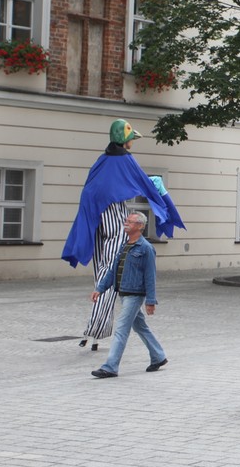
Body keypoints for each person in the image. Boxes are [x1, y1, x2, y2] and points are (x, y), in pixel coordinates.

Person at [63, 120, 185, 350]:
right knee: (109, 275)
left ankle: (94, 332)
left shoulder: (101, 161)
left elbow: (90, 191)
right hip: (115, 220)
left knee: (102, 274)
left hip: (95, 221)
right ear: (124, 139)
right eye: (131, 138)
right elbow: (141, 182)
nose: (132, 143)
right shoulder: (126, 160)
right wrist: (158, 190)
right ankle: (95, 330)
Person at [89, 212, 168, 379]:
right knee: (140, 326)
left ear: (139, 226)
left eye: (129, 222)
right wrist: (100, 288)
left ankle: (110, 367)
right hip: (123, 293)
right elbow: (113, 271)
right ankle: (158, 356)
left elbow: (150, 276)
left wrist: (151, 301)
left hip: (134, 295)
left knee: (121, 330)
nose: (126, 224)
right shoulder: (125, 245)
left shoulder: (146, 248)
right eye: (126, 221)